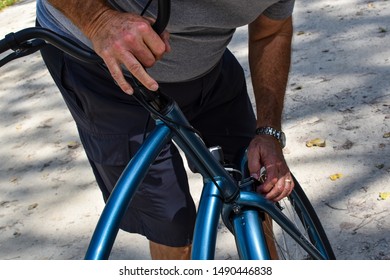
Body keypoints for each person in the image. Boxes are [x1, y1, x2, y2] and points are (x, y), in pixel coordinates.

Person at [36, 0, 295, 259]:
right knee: (171, 223)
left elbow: (272, 30)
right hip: (101, 68)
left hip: (206, 61)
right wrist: (99, 20)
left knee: (253, 187)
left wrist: (269, 131)